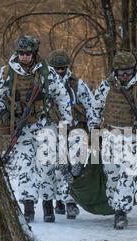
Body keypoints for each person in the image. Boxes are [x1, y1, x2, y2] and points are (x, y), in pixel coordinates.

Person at [0, 35, 72, 223]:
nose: (24, 56)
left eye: (27, 53)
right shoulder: (6, 73)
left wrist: (65, 122)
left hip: (45, 124)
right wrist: (2, 112)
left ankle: (47, 205)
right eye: (21, 53)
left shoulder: (47, 73)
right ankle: (28, 205)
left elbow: (61, 96)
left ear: (34, 53)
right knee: (24, 167)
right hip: (21, 126)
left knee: (47, 166)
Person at [93, 51, 137, 230]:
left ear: (134, 70)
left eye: (128, 72)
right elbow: (95, 108)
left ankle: (121, 213)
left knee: (128, 175)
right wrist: (93, 132)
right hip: (110, 136)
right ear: (115, 71)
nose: (125, 75)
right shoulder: (106, 86)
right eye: (121, 72)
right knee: (112, 177)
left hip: (133, 136)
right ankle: (117, 205)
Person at [47, 49, 97, 219]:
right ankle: (62, 201)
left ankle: (70, 201)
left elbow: (91, 107)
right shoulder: (44, 84)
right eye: (56, 69)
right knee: (59, 166)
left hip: (76, 129)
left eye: (62, 68)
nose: (60, 72)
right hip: (53, 130)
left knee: (75, 166)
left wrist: (93, 128)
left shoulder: (77, 85)